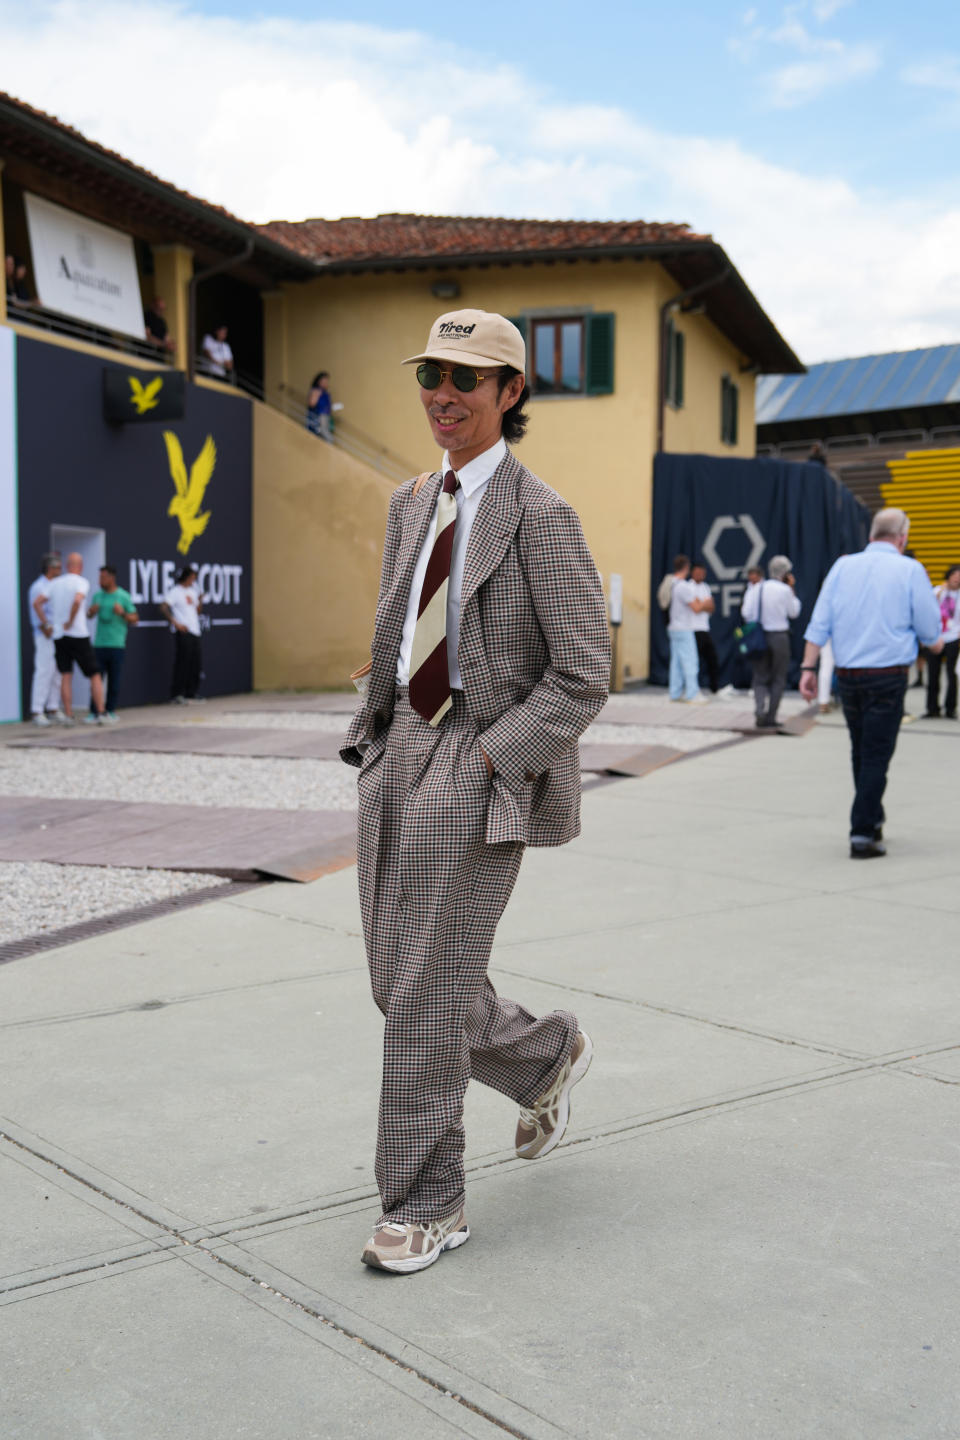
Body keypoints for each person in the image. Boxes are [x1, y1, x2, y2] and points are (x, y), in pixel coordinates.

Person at [340, 308, 610, 1275]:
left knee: (420, 996)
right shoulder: (413, 499)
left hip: (478, 760)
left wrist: (495, 757)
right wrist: (370, 733)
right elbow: (391, 624)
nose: (442, 395)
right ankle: (543, 1056)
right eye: (430, 375)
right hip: (396, 754)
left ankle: (425, 1201)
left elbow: (583, 673)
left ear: (511, 392)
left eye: (466, 378)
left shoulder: (543, 516)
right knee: (398, 981)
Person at [799, 508, 942, 858]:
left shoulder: (842, 566)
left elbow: (820, 620)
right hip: (888, 675)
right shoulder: (910, 570)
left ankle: (873, 818)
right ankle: (862, 832)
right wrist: (936, 642)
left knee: (860, 750)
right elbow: (929, 629)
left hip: (849, 677)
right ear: (902, 538)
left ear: (871, 535)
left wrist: (808, 667)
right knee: (877, 754)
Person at [47, 553, 107, 724]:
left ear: (67, 566)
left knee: (66, 675)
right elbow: (77, 601)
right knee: (94, 674)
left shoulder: (55, 583)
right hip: (78, 634)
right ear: (80, 566)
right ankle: (101, 713)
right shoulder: (81, 582)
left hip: (60, 636)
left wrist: (46, 624)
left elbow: (38, 602)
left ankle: (68, 715)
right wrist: (70, 621)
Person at [741, 554, 800, 728]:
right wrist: (792, 589)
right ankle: (771, 717)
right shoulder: (785, 590)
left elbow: (746, 613)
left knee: (759, 677)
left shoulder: (757, 588)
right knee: (778, 678)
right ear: (786, 573)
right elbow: (794, 612)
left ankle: (759, 711)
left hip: (760, 636)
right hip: (780, 636)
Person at [87, 565, 138, 720]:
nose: (100, 581)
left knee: (114, 681)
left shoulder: (123, 596)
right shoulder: (97, 596)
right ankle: (94, 712)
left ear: (112, 578)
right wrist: (91, 611)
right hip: (99, 645)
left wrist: (122, 612)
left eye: (103, 577)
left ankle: (110, 711)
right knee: (96, 680)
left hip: (117, 645)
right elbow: (88, 615)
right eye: (99, 577)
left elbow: (135, 618)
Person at [664, 555, 709, 703]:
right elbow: (696, 608)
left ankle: (675, 693)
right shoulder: (683, 586)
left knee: (676, 662)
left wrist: (698, 602)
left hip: (673, 627)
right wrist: (705, 602)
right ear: (687, 568)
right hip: (684, 628)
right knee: (691, 661)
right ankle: (692, 694)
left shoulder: (671, 583)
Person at [27, 553, 63, 726]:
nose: (61, 570)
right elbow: (36, 612)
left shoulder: (55, 586)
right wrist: (46, 626)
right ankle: (37, 711)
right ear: (51, 568)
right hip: (44, 635)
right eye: (58, 568)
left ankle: (53, 708)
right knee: (43, 672)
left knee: (57, 673)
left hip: (57, 634)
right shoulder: (38, 587)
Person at [160, 565, 204, 703]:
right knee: (182, 664)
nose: (193, 581)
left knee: (195, 664)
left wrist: (200, 600)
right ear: (186, 577)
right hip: (184, 631)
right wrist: (175, 623)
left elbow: (197, 611)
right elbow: (163, 607)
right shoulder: (175, 592)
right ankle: (177, 694)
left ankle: (191, 693)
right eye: (192, 578)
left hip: (195, 631)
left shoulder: (193, 591)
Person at [923, 564, 960, 719]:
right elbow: (927, 608)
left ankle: (950, 708)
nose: (957, 578)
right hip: (936, 637)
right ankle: (932, 708)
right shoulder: (938, 591)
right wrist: (942, 590)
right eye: (955, 575)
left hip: (953, 637)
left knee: (952, 675)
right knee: (932, 674)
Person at [690, 561, 718, 693]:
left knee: (712, 659)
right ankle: (693, 688)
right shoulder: (688, 587)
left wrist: (701, 604)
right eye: (697, 572)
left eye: (702, 573)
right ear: (692, 573)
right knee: (693, 661)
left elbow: (711, 607)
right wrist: (703, 604)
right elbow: (695, 608)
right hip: (692, 630)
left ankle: (714, 688)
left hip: (704, 629)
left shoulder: (705, 587)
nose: (700, 575)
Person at [307, 371, 333, 439]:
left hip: (326, 415)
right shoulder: (316, 391)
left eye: (327, 381)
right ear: (319, 381)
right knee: (325, 435)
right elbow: (312, 404)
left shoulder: (324, 392)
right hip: (320, 416)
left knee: (325, 433)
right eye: (324, 381)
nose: (326, 383)